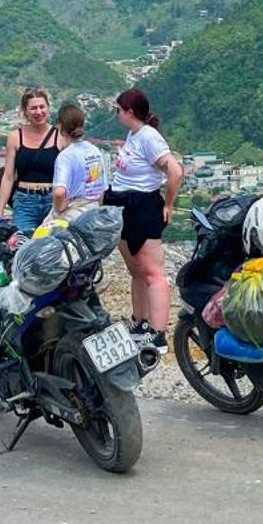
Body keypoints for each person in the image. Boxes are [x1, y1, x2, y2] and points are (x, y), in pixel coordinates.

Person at [102, 88, 181, 341]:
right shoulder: (133, 134)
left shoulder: (149, 137)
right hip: (124, 205)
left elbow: (175, 171)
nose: (117, 115)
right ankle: (140, 321)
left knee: (152, 272)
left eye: (119, 110)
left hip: (142, 207)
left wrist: (168, 204)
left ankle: (158, 333)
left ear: (130, 112)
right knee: (136, 270)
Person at [0, 87, 59, 234]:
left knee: (52, 249)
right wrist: (0, 209)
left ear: (48, 108)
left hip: (53, 201)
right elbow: (8, 176)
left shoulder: (60, 137)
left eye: (42, 107)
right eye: (33, 108)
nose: (38, 112)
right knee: (21, 247)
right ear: (25, 111)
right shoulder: (15, 137)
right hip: (25, 201)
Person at [51, 103, 108, 218]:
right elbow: (103, 188)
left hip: (73, 212)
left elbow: (59, 192)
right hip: (93, 210)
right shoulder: (95, 150)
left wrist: (58, 210)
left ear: (60, 126)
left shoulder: (65, 156)